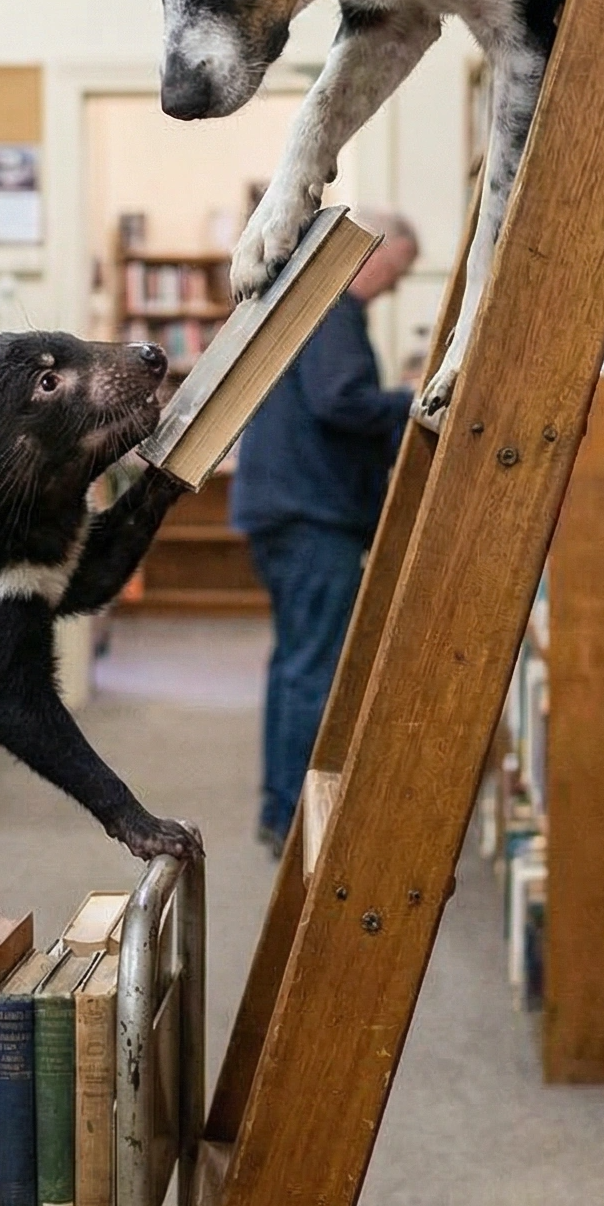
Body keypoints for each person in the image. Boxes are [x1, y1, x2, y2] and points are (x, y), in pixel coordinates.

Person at [230, 209, 420, 855]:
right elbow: (342, 401)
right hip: (313, 515)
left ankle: (278, 810)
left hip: (284, 509)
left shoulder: (310, 302)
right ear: (374, 254)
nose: (392, 287)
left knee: (293, 663)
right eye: (397, 272)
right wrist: (412, 400)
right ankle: (292, 820)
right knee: (312, 669)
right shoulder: (335, 309)